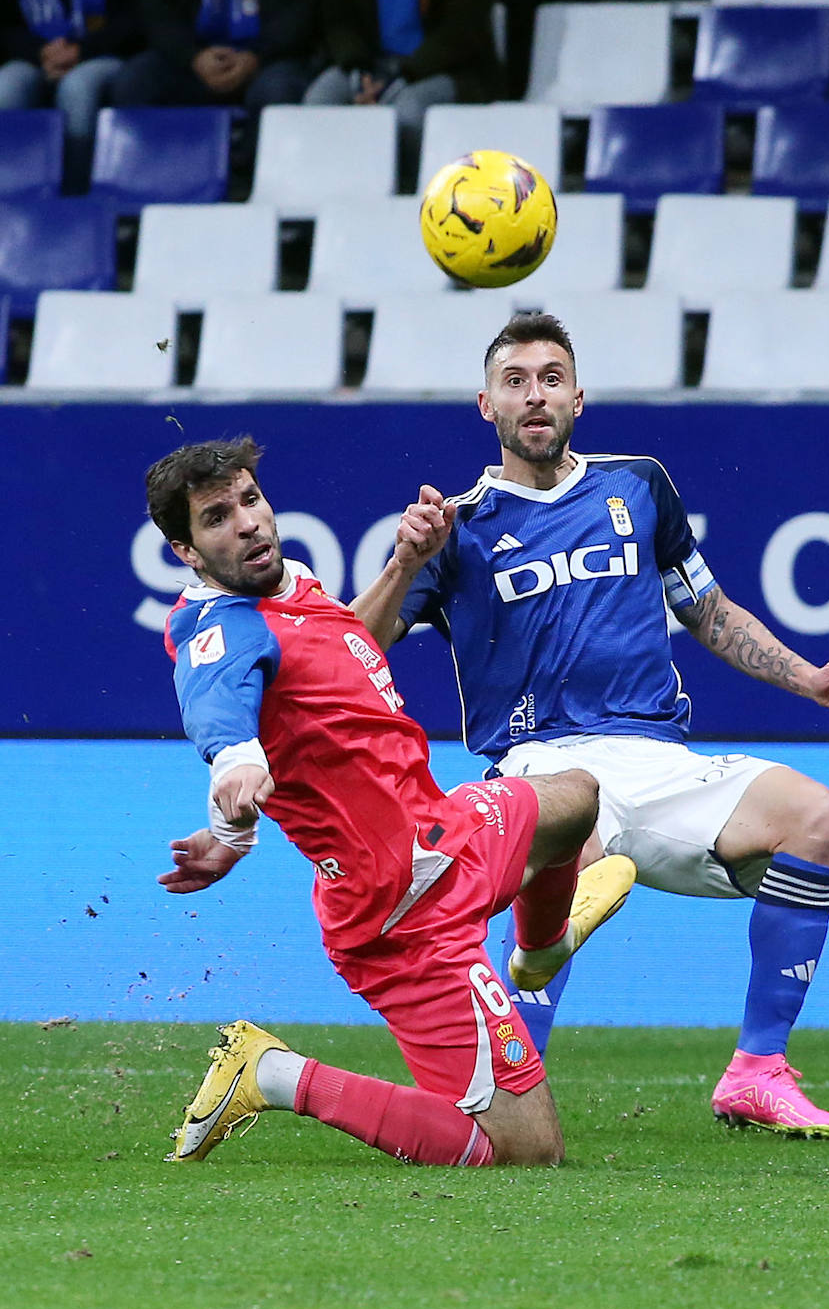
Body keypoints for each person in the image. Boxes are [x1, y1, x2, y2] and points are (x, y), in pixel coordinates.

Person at [391, 313, 829, 1139]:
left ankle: (756, 1072)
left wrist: (806, 678)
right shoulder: (457, 525)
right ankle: (505, 1098)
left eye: (550, 378)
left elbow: (708, 610)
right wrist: (405, 560)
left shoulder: (639, 485)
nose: (534, 394)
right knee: (571, 852)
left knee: (820, 818)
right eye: (516, 380)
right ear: (485, 404)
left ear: (579, 396)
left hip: (656, 755)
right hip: (539, 761)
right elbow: (360, 642)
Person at [145, 435, 635, 1167]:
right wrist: (235, 777)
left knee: (576, 799)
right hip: (403, 915)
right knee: (528, 1155)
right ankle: (274, 1074)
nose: (247, 523)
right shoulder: (219, 630)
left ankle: (539, 952)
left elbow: (347, 646)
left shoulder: (288, 585)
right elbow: (219, 710)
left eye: (250, 500)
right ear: (186, 551)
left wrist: (406, 565)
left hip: (446, 828)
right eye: (217, 518)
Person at [303, 0, 500, 192]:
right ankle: (325, 196)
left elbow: (463, 31)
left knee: (408, 110)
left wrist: (401, 73)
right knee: (321, 97)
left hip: (445, 69)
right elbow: (338, 19)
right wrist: (358, 66)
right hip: (369, 64)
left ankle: (410, 196)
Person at [110, 0, 314, 164]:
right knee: (135, 82)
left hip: (267, 60)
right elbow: (155, 5)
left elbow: (305, 4)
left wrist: (257, 56)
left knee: (279, 91)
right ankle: (159, 173)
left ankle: (250, 181)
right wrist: (192, 56)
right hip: (190, 58)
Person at [0, 0, 144, 191]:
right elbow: (5, 25)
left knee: (77, 89)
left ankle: (75, 194)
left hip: (102, 54)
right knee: (5, 89)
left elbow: (135, 18)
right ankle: (10, 195)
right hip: (33, 57)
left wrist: (82, 51)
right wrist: (41, 52)